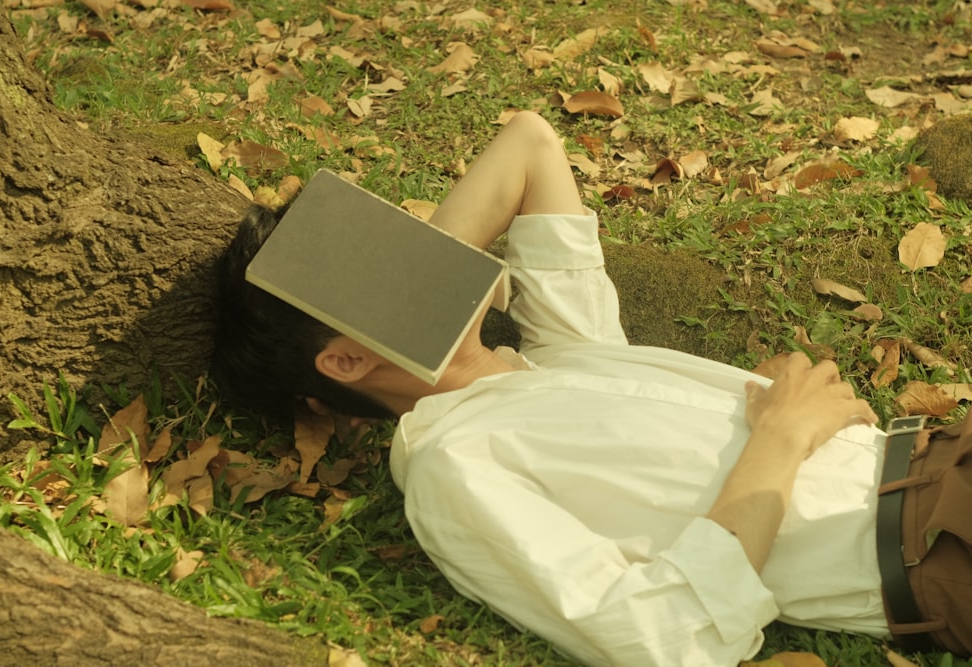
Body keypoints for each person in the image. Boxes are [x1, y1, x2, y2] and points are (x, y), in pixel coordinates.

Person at [213, 111, 972, 666]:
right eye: (382, 262)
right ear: (343, 363)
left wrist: (409, 296)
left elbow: (531, 144)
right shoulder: (456, 465)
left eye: (398, 242)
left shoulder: (564, 350)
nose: (418, 251)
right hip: (934, 544)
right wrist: (778, 436)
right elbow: (662, 636)